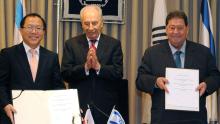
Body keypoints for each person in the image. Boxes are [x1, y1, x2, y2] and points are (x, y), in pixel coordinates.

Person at [136, 11, 220, 124]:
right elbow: (140, 80)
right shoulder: (152, 53)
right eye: (172, 28)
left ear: (187, 29)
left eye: (180, 28)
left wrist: (206, 84)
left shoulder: (203, 52)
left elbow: (215, 76)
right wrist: (155, 81)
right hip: (163, 118)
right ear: (166, 29)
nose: (176, 32)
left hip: (194, 118)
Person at [61, 4, 123, 124]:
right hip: (79, 105)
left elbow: (118, 73)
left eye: (94, 23)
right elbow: (65, 74)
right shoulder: (71, 44)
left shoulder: (113, 44)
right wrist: (85, 68)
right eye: (86, 23)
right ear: (81, 24)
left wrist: (98, 67)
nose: (90, 27)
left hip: (106, 108)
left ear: (101, 23)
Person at [0, 13, 65, 124]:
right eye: (30, 27)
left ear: (44, 32)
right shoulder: (8, 54)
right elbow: (1, 84)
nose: (34, 32)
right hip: (14, 115)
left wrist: (67, 104)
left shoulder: (52, 57)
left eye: (38, 28)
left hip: (44, 116)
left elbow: (58, 86)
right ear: (21, 30)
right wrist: (6, 104)